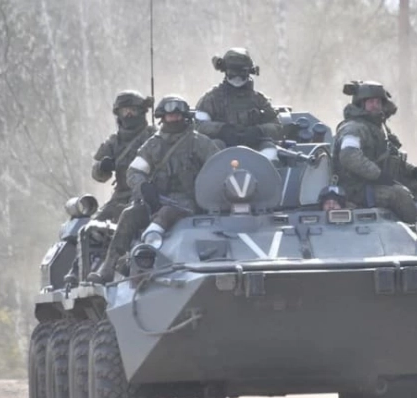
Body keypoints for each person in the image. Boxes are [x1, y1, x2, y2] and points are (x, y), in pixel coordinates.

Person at [87, 95, 221, 284]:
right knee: (129, 215)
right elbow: (134, 171)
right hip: (157, 200)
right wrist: (143, 187)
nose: (173, 119)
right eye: (169, 116)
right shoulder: (153, 145)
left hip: (188, 202)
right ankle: (108, 269)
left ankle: (150, 243)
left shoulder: (199, 143)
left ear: (184, 117)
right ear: (162, 118)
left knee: (166, 214)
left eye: (177, 116)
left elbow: (218, 166)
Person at [332, 81, 417, 223]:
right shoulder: (353, 128)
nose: (375, 105)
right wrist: (378, 175)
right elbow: (349, 156)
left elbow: (390, 158)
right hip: (356, 189)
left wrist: (414, 171)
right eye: (370, 102)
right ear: (361, 104)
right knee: (399, 194)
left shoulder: (379, 129)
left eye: (378, 102)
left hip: (374, 182)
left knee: (416, 185)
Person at [194, 47, 282, 159]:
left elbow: (276, 126)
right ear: (225, 71)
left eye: (242, 72)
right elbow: (198, 126)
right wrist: (221, 129)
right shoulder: (211, 99)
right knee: (214, 146)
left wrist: (258, 131)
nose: (237, 77)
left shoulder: (259, 100)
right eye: (233, 72)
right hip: (222, 153)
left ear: (249, 72)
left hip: (254, 151)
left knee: (269, 148)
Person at [90, 90, 156, 222]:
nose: (129, 115)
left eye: (133, 110)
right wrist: (102, 168)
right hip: (120, 196)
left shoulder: (153, 137)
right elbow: (97, 175)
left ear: (142, 112)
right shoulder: (114, 141)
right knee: (94, 226)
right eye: (124, 111)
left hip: (147, 194)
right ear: (118, 114)